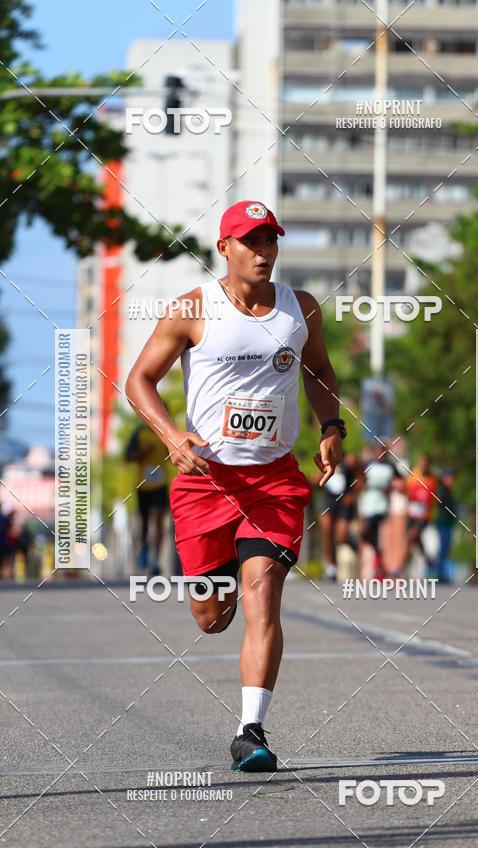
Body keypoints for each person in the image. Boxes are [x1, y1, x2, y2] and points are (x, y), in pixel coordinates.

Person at [125, 200, 344, 772]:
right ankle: (211, 581)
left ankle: (251, 731)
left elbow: (318, 371)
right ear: (224, 248)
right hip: (205, 482)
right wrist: (172, 436)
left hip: (273, 480)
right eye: (251, 241)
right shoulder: (191, 310)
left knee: (263, 599)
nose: (263, 252)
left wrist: (332, 426)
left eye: (270, 241)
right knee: (210, 616)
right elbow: (140, 379)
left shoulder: (301, 310)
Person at [125, 423, 171, 574]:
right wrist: (144, 452)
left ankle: (156, 558)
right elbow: (128, 457)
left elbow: (173, 454)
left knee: (159, 519)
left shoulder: (166, 432)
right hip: (143, 484)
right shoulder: (139, 433)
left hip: (161, 483)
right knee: (144, 521)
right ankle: (144, 547)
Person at [359, 439, 403, 579]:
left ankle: (379, 566)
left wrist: (390, 488)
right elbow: (359, 480)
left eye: (384, 450)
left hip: (383, 505)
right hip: (369, 502)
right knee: (365, 532)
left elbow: (401, 482)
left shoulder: (391, 467)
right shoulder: (368, 465)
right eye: (379, 450)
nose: (381, 453)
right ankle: (379, 558)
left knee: (380, 536)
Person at [317, 451, 364, 581]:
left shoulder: (349, 459)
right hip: (329, 499)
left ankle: (350, 540)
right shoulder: (323, 458)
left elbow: (362, 478)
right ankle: (331, 567)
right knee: (326, 529)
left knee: (340, 537)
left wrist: (353, 494)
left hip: (344, 500)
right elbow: (318, 480)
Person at [404, 453, 438, 573]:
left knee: (411, 537)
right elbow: (406, 491)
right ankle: (427, 558)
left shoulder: (433, 479)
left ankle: (401, 567)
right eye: (421, 463)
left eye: (426, 463)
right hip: (411, 513)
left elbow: (434, 497)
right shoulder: (412, 476)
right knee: (415, 538)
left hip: (424, 516)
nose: (423, 465)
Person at [435, 468, 457, 583]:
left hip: (448, 524)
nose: (452, 481)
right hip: (442, 523)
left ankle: (442, 573)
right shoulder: (441, 490)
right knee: (442, 548)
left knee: (446, 548)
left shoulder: (449, 491)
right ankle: (440, 573)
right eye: (450, 478)